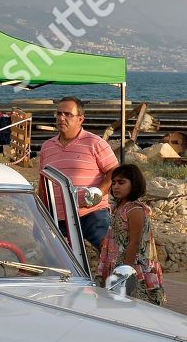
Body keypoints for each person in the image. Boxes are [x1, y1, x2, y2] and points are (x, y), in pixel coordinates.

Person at [36, 97, 118, 252]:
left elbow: (114, 171)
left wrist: (99, 192)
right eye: (59, 113)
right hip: (57, 216)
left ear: (80, 119)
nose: (61, 118)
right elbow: (43, 181)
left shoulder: (95, 143)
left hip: (91, 213)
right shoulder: (47, 147)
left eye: (68, 114)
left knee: (110, 252)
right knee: (47, 255)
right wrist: (41, 211)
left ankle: (119, 276)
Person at [98, 163, 164, 304]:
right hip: (115, 260)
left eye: (121, 182)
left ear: (134, 184)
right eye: (114, 182)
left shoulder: (134, 210)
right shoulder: (117, 207)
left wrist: (125, 271)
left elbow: (135, 242)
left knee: (133, 303)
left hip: (131, 264)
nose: (115, 186)